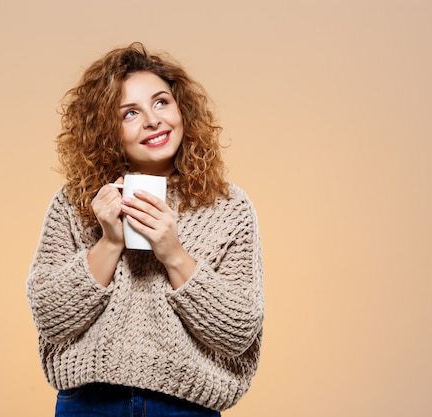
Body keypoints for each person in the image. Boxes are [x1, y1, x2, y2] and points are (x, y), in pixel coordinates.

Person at [26, 42, 264, 417]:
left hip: (186, 407)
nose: (152, 120)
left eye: (161, 102)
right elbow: (51, 318)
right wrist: (109, 241)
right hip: (91, 404)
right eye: (129, 113)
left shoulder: (228, 206)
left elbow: (237, 332)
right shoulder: (75, 202)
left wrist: (174, 254)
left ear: (181, 109)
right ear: (107, 130)